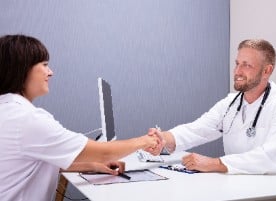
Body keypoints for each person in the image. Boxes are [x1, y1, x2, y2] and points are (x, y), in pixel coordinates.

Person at [0, 34, 159, 201]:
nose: (50, 72)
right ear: (22, 68)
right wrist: (145, 141)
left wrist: (90, 165)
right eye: (44, 65)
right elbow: (104, 153)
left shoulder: (8, 111)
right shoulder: (28, 119)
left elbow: (22, 166)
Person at [147, 39, 276, 176]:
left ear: (267, 71)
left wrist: (215, 163)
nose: (237, 71)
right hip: (241, 188)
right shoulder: (230, 103)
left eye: (246, 65)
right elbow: (197, 130)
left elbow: (272, 158)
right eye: (237, 63)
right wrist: (163, 139)